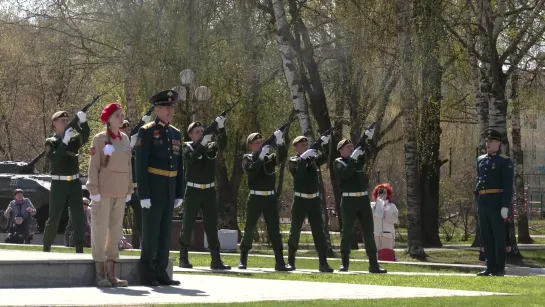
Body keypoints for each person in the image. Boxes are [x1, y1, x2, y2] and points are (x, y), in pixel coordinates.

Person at [135, 90, 184, 286]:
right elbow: (140, 165)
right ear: (156, 109)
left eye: (171, 107)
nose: (170, 110)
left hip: (170, 188)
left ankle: (161, 271)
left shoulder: (176, 133)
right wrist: (144, 193)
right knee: (151, 232)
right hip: (153, 188)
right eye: (165, 107)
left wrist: (179, 192)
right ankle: (147, 273)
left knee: (165, 233)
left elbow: (179, 165)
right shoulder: (146, 131)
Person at [87, 102, 133, 287]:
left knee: (115, 232)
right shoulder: (99, 139)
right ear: (108, 120)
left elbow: (128, 167)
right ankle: (100, 274)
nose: (122, 118)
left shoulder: (125, 139)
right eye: (118, 116)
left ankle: (112, 273)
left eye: (122, 115)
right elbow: (94, 166)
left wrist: (129, 189)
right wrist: (93, 190)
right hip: (103, 194)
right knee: (100, 231)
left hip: (120, 193)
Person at [178, 119, 230, 270]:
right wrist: (201, 144)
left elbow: (223, 144)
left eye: (202, 131)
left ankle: (216, 260)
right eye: (197, 132)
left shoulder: (210, 146)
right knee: (187, 224)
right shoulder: (186, 147)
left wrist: (221, 128)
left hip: (208, 191)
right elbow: (191, 158)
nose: (200, 133)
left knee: (212, 225)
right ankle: (183, 257)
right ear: (190, 135)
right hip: (193, 191)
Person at [334, 130, 387, 273]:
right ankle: (344, 263)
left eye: (352, 147)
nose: (351, 149)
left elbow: (370, 152)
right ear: (341, 151)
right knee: (347, 232)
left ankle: (373, 264)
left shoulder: (357, 160)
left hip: (362, 199)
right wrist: (352, 159)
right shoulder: (338, 162)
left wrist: (367, 140)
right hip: (349, 199)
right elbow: (345, 175)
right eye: (348, 147)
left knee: (369, 231)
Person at [238, 131, 290, 271]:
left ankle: (279, 262)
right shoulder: (247, 158)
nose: (260, 144)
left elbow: (281, 157)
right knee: (249, 228)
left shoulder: (269, 158)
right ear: (250, 146)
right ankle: (243, 259)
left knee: (274, 229)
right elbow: (251, 173)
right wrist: (260, 158)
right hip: (255, 197)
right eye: (257, 143)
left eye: (261, 142)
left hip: (270, 198)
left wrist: (280, 142)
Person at [43, 109, 89, 253]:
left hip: (74, 182)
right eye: (62, 120)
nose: (65, 122)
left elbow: (85, 137)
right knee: (54, 216)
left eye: (67, 120)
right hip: (59, 183)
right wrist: (64, 142)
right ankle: (47, 246)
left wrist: (83, 122)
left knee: (78, 215)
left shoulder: (74, 139)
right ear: (54, 123)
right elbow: (55, 159)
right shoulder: (51, 141)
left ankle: (79, 246)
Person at [286, 136, 333, 272]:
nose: (306, 146)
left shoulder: (313, 159)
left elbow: (324, 158)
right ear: (295, 147)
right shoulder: (293, 161)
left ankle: (323, 262)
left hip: (314, 200)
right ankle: (291, 261)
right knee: (295, 230)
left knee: (319, 231)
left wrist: (325, 145)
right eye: (302, 144)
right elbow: (298, 174)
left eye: (307, 144)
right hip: (300, 199)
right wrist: (303, 158)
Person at [475, 128, 513, 277]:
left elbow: (507, 185)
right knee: (486, 235)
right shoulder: (481, 159)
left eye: (491, 141)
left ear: (498, 143)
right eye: (487, 141)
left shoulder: (504, 161)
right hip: (483, 200)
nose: (487, 143)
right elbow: (479, 179)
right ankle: (489, 266)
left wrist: (505, 205)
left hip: (496, 200)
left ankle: (499, 268)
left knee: (498, 235)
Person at [121, 119, 146, 249]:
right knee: (119, 217)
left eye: (129, 129)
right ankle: (117, 242)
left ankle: (145, 244)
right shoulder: (117, 145)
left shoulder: (136, 145)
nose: (127, 131)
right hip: (122, 189)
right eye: (124, 129)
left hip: (137, 190)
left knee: (142, 219)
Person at [370, 184, 399, 250]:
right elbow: (371, 216)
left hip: (388, 235)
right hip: (376, 234)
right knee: (376, 255)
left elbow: (395, 220)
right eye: (380, 192)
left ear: (388, 194)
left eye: (385, 192)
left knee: (387, 255)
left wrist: (385, 213)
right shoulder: (372, 205)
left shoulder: (392, 206)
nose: (383, 194)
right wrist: (378, 203)